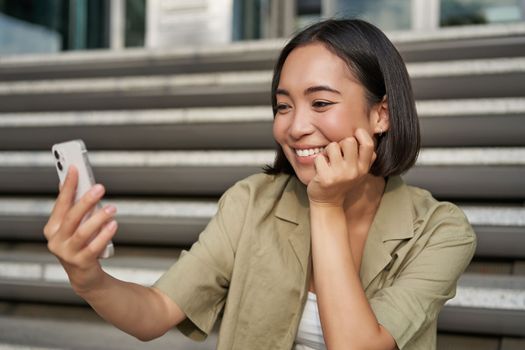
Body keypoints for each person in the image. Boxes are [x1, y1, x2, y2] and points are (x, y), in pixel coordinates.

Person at [43, 19, 476, 350]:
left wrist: (326, 206)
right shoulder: (251, 202)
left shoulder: (439, 230)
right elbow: (156, 313)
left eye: (320, 103)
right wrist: (89, 278)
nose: (296, 126)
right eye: (283, 106)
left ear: (381, 114)